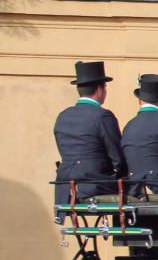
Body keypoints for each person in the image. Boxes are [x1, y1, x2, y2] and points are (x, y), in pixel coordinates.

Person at [53, 61, 126, 204]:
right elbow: (117, 155)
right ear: (99, 90)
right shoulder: (102, 115)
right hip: (95, 182)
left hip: (66, 184)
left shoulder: (63, 116)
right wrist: (126, 175)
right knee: (134, 187)